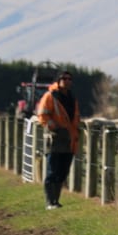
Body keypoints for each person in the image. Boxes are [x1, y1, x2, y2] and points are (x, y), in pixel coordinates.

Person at [35, 71, 80, 209]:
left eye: (69, 79)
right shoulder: (50, 96)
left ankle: (56, 200)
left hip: (69, 140)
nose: (67, 81)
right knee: (52, 171)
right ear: (58, 80)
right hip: (54, 139)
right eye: (64, 78)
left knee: (62, 171)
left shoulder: (72, 98)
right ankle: (50, 201)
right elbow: (42, 115)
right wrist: (53, 127)